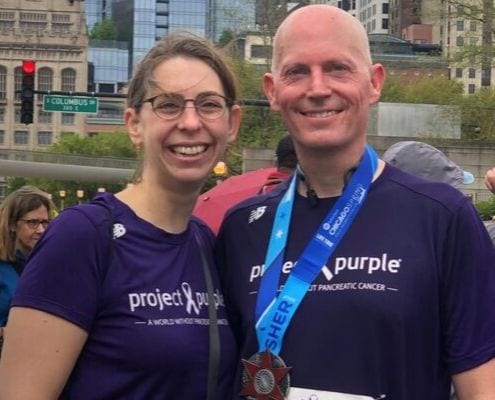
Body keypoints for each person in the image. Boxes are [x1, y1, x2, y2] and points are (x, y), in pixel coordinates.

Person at [216, 5, 495, 400]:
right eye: (297, 71)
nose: (317, 88)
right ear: (272, 91)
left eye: (337, 68)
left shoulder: (442, 218)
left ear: (374, 82)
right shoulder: (241, 228)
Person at [0, 33, 241, 399]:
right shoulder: (82, 236)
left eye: (209, 104)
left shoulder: (207, 243)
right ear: (133, 124)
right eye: (169, 105)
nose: (191, 122)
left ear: (231, 123)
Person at [0, 186, 53, 348]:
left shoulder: (50, 263)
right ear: (12, 225)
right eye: (32, 222)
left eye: (45, 222)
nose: (41, 230)